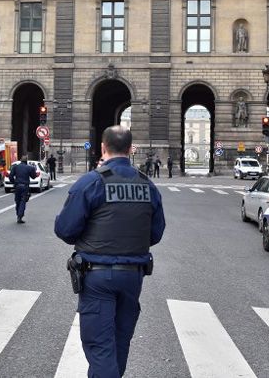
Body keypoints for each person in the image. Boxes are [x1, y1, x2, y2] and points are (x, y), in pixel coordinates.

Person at [54, 125, 165, 378]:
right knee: (119, 345)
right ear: (130, 149)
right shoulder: (147, 185)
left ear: (103, 148)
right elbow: (156, 233)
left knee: (101, 349)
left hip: (97, 277)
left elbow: (65, 230)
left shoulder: (91, 182)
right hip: (133, 276)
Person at [9, 156, 38, 224]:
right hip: (25, 187)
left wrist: (14, 182)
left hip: (17, 186)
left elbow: (10, 176)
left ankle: (18, 214)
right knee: (23, 201)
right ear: (26, 161)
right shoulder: (29, 168)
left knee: (17, 201)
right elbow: (33, 177)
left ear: (20, 161)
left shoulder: (15, 167)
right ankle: (20, 216)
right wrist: (34, 172)